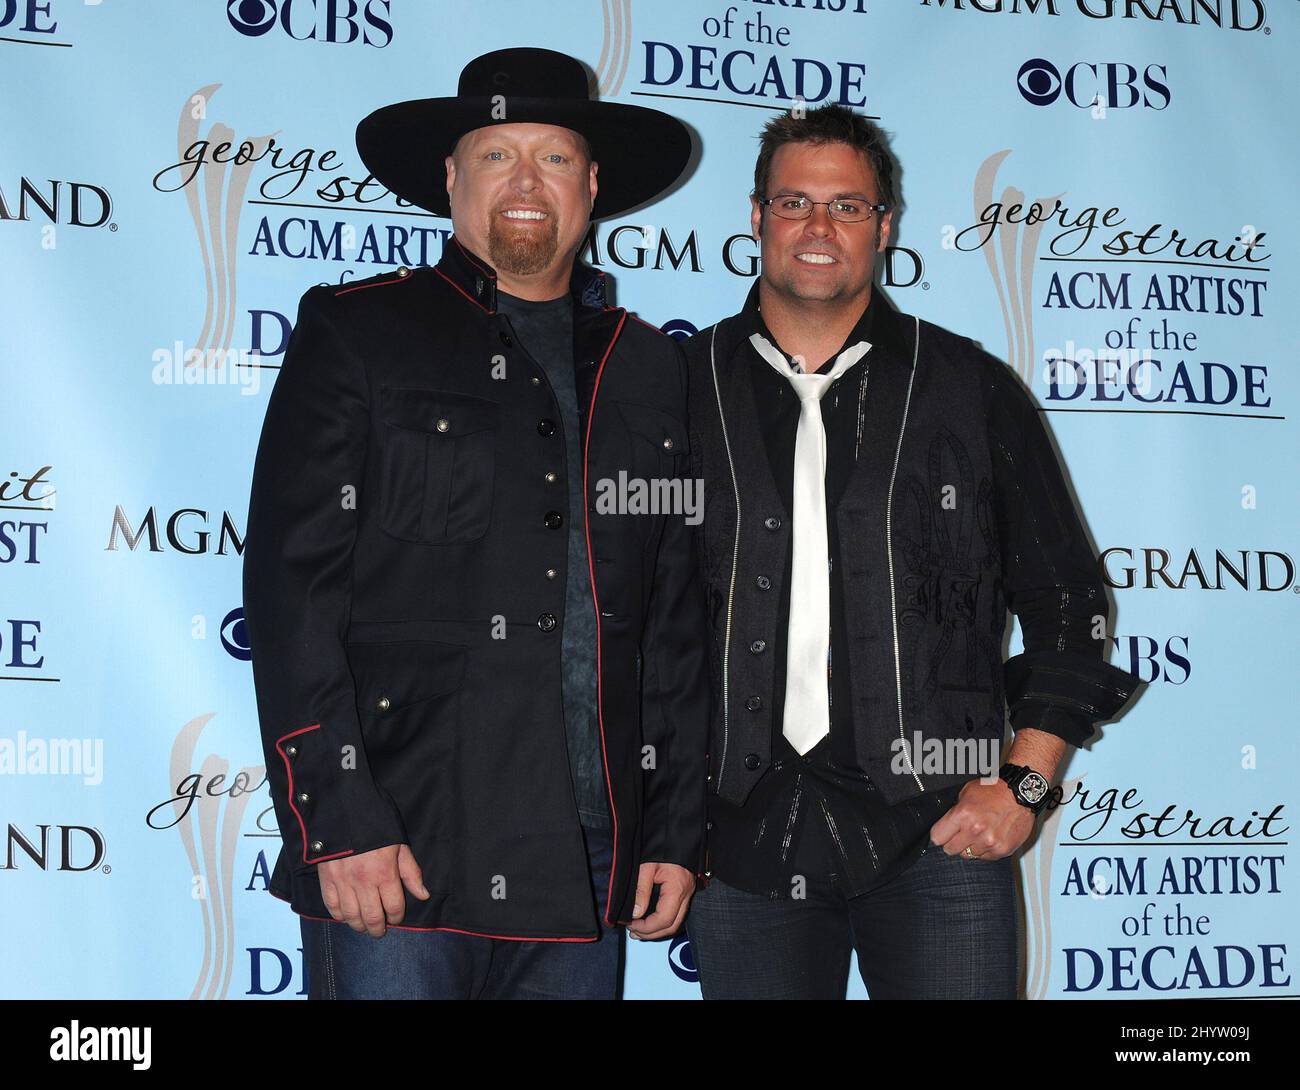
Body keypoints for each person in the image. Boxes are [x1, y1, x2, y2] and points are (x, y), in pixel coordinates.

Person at [242, 47, 707, 1000]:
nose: (526, 182)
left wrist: (670, 828)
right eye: (496, 155)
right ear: (451, 179)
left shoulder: (652, 371)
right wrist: (338, 819)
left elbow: (671, 624)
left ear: (592, 186)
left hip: (585, 859)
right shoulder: (357, 331)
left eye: (554, 157)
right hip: (401, 851)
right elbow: (294, 595)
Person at [681, 103, 1143, 1000]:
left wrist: (1029, 788)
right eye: (794, 202)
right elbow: (632, 619)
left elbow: (1070, 602)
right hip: (734, 836)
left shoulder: (970, 389)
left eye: (847, 206)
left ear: (884, 226)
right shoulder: (676, 390)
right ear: (755, 216)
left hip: (940, 836)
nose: (819, 228)